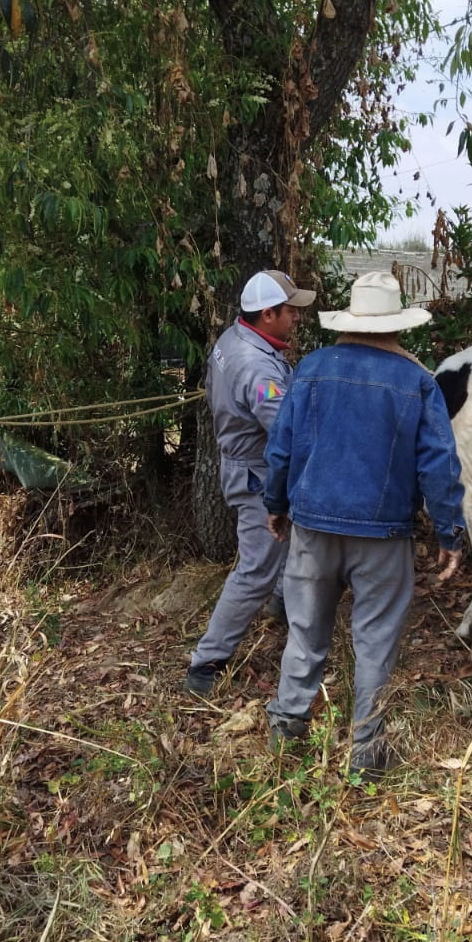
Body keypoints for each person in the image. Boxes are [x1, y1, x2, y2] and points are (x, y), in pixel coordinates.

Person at [261, 271, 465, 781]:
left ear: (349, 319)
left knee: (305, 632)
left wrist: (275, 502)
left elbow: (282, 448)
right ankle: (365, 754)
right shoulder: (418, 382)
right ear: (398, 324)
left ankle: (287, 730)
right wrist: (448, 532)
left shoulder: (310, 369)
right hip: (384, 536)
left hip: (312, 528)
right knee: (375, 641)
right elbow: (438, 465)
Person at [183, 269, 317, 694]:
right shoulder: (258, 370)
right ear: (267, 314)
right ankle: (206, 663)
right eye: (290, 311)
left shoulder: (234, 339)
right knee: (255, 568)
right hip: (257, 474)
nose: (297, 318)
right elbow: (285, 433)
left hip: (243, 461)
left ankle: (279, 603)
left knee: (281, 547)